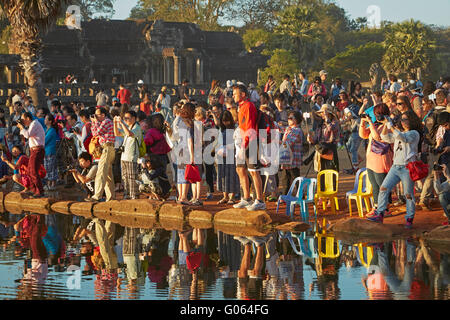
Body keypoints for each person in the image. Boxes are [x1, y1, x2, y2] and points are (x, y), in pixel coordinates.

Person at [367, 110, 422, 229]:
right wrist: (386, 124)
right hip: (396, 166)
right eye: (402, 120)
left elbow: (402, 137)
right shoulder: (398, 131)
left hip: (407, 167)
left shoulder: (414, 133)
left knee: (408, 194)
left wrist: (391, 124)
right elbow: (385, 137)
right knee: (383, 188)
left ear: (412, 120)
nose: (403, 122)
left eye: (405, 119)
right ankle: (380, 213)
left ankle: (409, 218)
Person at [232, 84, 265, 211]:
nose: (233, 95)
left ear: (243, 94)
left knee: (254, 171)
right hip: (243, 141)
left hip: (250, 141)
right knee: (240, 169)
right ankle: (246, 198)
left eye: (235, 93)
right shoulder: (241, 107)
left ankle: (260, 200)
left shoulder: (249, 106)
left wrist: (244, 145)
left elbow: (250, 127)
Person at [359, 104, 394, 216]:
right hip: (371, 161)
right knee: (375, 185)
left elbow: (377, 137)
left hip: (381, 160)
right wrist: (363, 122)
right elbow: (363, 135)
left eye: (377, 114)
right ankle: (376, 208)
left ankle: (386, 209)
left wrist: (370, 123)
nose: (376, 116)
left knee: (382, 185)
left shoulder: (388, 126)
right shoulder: (375, 125)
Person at [419, 89, 448, 210]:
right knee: (445, 174)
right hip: (442, 147)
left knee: (433, 174)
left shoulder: (430, 114)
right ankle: (444, 203)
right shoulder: (445, 115)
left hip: (431, 147)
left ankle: (424, 199)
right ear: (446, 100)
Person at [86, 107, 115, 202]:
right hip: (107, 148)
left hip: (107, 148)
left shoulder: (106, 122)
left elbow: (96, 132)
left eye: (97, 114)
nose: (95, 116)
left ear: (103, 115)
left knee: (101, 172)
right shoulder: (103, 122)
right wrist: (95, 122)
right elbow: (95, 133)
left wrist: (94, 122)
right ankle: (111, 197)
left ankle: (96, 196)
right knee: (108, 175)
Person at [113, 110, 142, 200]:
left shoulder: (137, 127)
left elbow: (130, 134)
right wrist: (115, 123)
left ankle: (134, 196)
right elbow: (117, 133)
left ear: (134, 118)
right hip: (124, 157)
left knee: (132, 178)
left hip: (132, 157)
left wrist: (121, 123)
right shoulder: (129, 127)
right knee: (125, 177)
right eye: (124, 118)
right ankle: (127, 195)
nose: (125, 120)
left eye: (127, 118)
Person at [17, 112, 46, 198]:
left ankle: (40, 191)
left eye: (23, 119)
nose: (22, 121)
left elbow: (27, 135)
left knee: (33, 171)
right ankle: (33, 190)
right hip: (34, 150)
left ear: (28, 119)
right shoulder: (32, 125)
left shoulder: (34, 123)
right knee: (29, 171)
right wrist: (22, 128)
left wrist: (22, 127)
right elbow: (25, 136)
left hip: (37, 150)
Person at [307, 104, 340, 172]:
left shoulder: (335, 123)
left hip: (330, 152)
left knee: (330, 174)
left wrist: (327, 119)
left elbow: (331, 128)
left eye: (324, 113)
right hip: (320, 151)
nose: (322, 115)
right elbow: (316, 140)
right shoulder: (320, 125)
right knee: (320, 174)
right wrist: (311, 140)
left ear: (330, 114)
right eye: (322, 113)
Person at [216, 110, 239, 205]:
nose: (226, 123)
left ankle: (232, 197)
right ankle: (225, 196)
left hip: (232, 156)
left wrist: (230, 147)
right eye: (223, 121)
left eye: (227, 121)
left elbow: (237, 142)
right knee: (223, 175)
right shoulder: (221, 130)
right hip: (222, 156)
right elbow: (218, 142)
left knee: (232, 175)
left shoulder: (235, 129)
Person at [280, 111, 304, 195]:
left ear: (296, 120)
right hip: (287, 158)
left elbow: (289, 143)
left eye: (291, 118)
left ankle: (300, 195)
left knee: (295, 177)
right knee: (286, 178)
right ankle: (285, 195)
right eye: (288, 118)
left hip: (294, 159)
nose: (288, 119)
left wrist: (279, 143)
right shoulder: (288, 129)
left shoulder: (297, 130)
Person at [43, 114, 59, 191]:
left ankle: (52, 184)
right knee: (49, 168)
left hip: (50, 151)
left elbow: (45, 141)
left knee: (50, 168)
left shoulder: (51, 130)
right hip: (47, 151)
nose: (44, 120)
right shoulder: (47, 129)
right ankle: (50, 184)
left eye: (46, 119)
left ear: (50, 121)